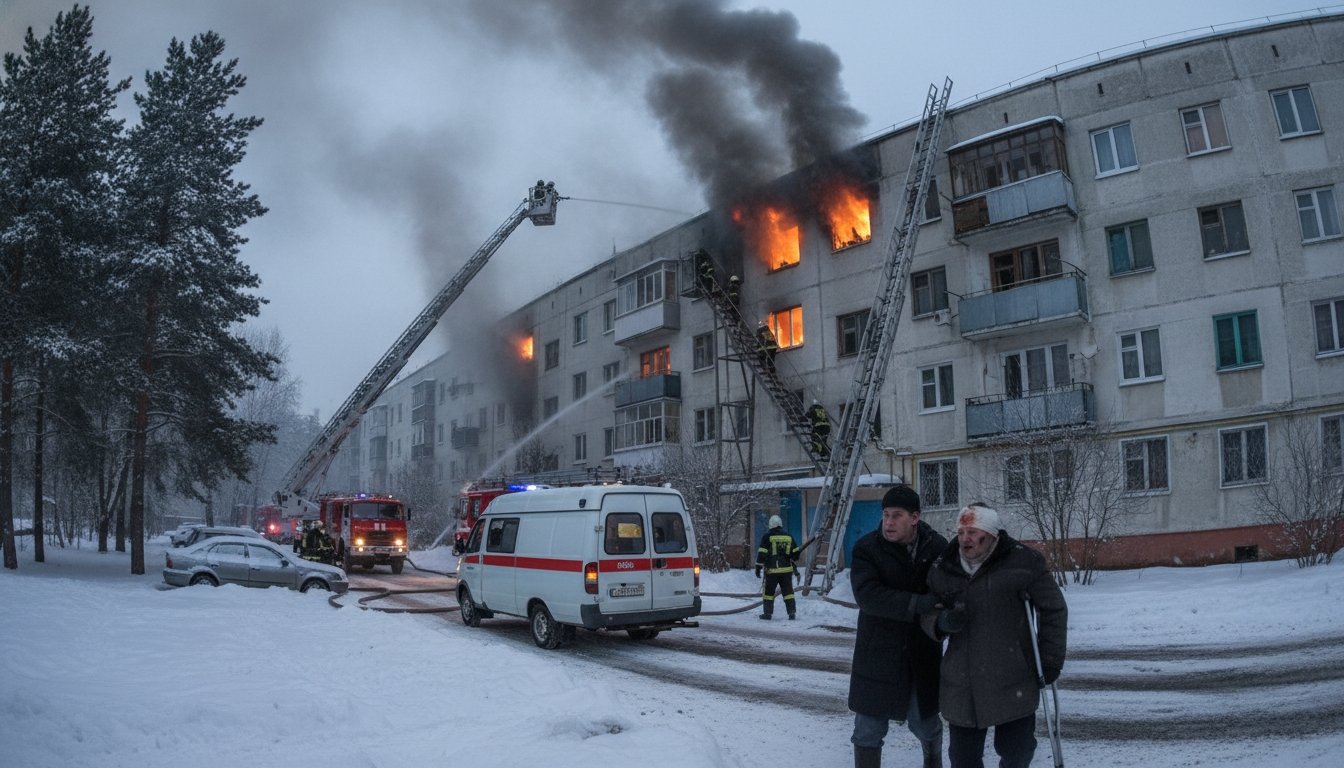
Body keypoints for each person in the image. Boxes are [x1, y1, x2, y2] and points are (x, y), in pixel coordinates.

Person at [922, 504, 1068, 768]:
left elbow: (1053, 609)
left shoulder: (1024, 562)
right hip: (962, 683)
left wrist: (1049, 661)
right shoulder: (944, 566)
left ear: (992, 534)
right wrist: (939, 621)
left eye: (973, 532)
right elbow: (927, 611)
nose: (964, 539)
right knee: (963, 760)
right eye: (961, 531)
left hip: (1013, 678)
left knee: (1017, 754)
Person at [848, 485, 949, 768]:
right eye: (885, 515)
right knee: (868, 730)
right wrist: (920, 604)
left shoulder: (937, 547)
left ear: (915, 517)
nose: (888, 522)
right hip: (876, 653)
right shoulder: (867, 548)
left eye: (897, 515)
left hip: (921, 653)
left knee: (927, 725)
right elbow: (868, 597)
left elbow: (947, 592)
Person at [754, 514, 799, 620]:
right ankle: (791, 613)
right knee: (788, 593)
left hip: (772, 571)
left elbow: (762, 554)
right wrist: (789, 558)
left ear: (771, 525)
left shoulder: (767, 537)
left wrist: (758, 568)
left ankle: (768, 614)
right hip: (787, 571)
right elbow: (796, 554)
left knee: (769, 593)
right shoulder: (789, 536)